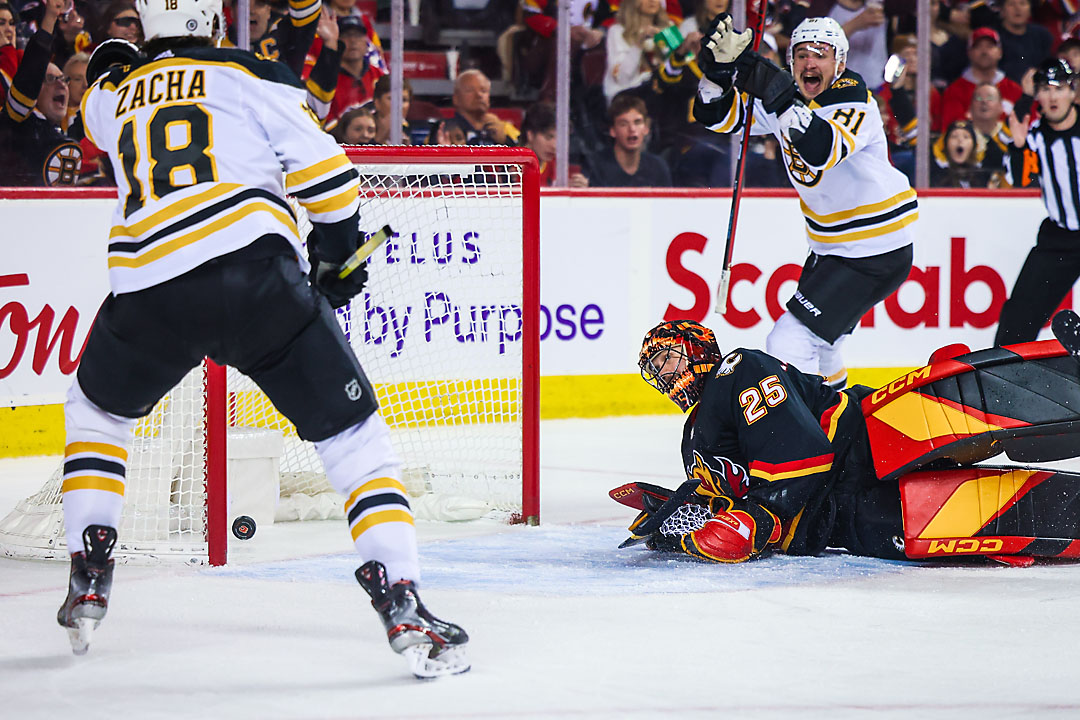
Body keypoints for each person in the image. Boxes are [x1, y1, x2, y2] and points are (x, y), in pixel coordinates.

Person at [55, 0, 469, 678]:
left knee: (97, 414)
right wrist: (334, 258)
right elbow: (330, 180)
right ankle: (400, 597)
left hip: (149, 290)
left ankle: (91, 566)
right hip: (253, 280)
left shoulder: (118, 97)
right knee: (355, 443)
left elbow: (97, 87)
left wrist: (115, 66)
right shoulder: (251, 71)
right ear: (213, 23)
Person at [626, 319, 1080, 564]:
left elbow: (799, 450)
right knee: (956, 523)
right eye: (656, 373)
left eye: (669, 360)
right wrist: (671, 520)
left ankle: (1046, 386)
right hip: (836, 516)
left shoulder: (736, 371)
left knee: (958, 405)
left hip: (864, 438)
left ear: (700, 349)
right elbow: (722, 496)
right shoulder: (693, 439)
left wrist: (757, 518)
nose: (666, 378)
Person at [692, 15, 915, 389]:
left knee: (788, 341)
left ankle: (805, 435)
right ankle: (840, 428)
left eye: (821, 54)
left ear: (840, 63)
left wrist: (770, 84)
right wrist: (718, 73)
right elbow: (717, 117)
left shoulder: (854, 98)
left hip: (873, 249)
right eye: (801, 54)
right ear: (791, 61)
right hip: (833, 248)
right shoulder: (787, 97)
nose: (810, 62)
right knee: (824, 350)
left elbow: (820, 149)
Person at [996, 58, 1080, 346]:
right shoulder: (1033, 137)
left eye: (1059, 88)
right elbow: (1018, 177)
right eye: (1045, 89)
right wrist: (1018, 145)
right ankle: (1005, 379)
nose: (1053, 96)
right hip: (1060, 239)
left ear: (1072, 91)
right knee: (1019, 317)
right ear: (1038, 97)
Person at [941, 27, 1023, 129]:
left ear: (1000, 52)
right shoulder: (954, 91)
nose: (984, 51)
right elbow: (951, 130)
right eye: (978, 46)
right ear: (969, 52)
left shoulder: (1014, 90)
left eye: (990, 46)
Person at [587, 92, 671, 186]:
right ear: (612, 131)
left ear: (646, 128)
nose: (632, 129)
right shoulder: (595, 165)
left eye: (637, 122)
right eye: (624, 124)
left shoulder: (658, 167)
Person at [521, 101, 588, 186]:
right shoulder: (508, 170)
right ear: (530, 135)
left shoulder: (559, 167)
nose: (554, 146)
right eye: (548, 137)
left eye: (560, 139)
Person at [447, 68, 519, 146]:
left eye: (483, 91)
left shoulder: (505, 129)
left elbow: (523, 154)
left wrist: (504, 141)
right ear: (456, 98)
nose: (479, 95)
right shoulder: (444, 130)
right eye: (470, 90)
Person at [930, 119, 1005, 188]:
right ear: (945, 144)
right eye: (954, 136)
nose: (960, 140)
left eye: (966, 137)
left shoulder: (984, 172)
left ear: (974, 145)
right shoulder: (933, 171)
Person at [997, 0, 1053, 83]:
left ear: (1030, 9)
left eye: (1022, 3)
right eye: (1011, 4)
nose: (1017, 8)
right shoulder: (993, 37)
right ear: (1002, 10)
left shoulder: (1042, 35)